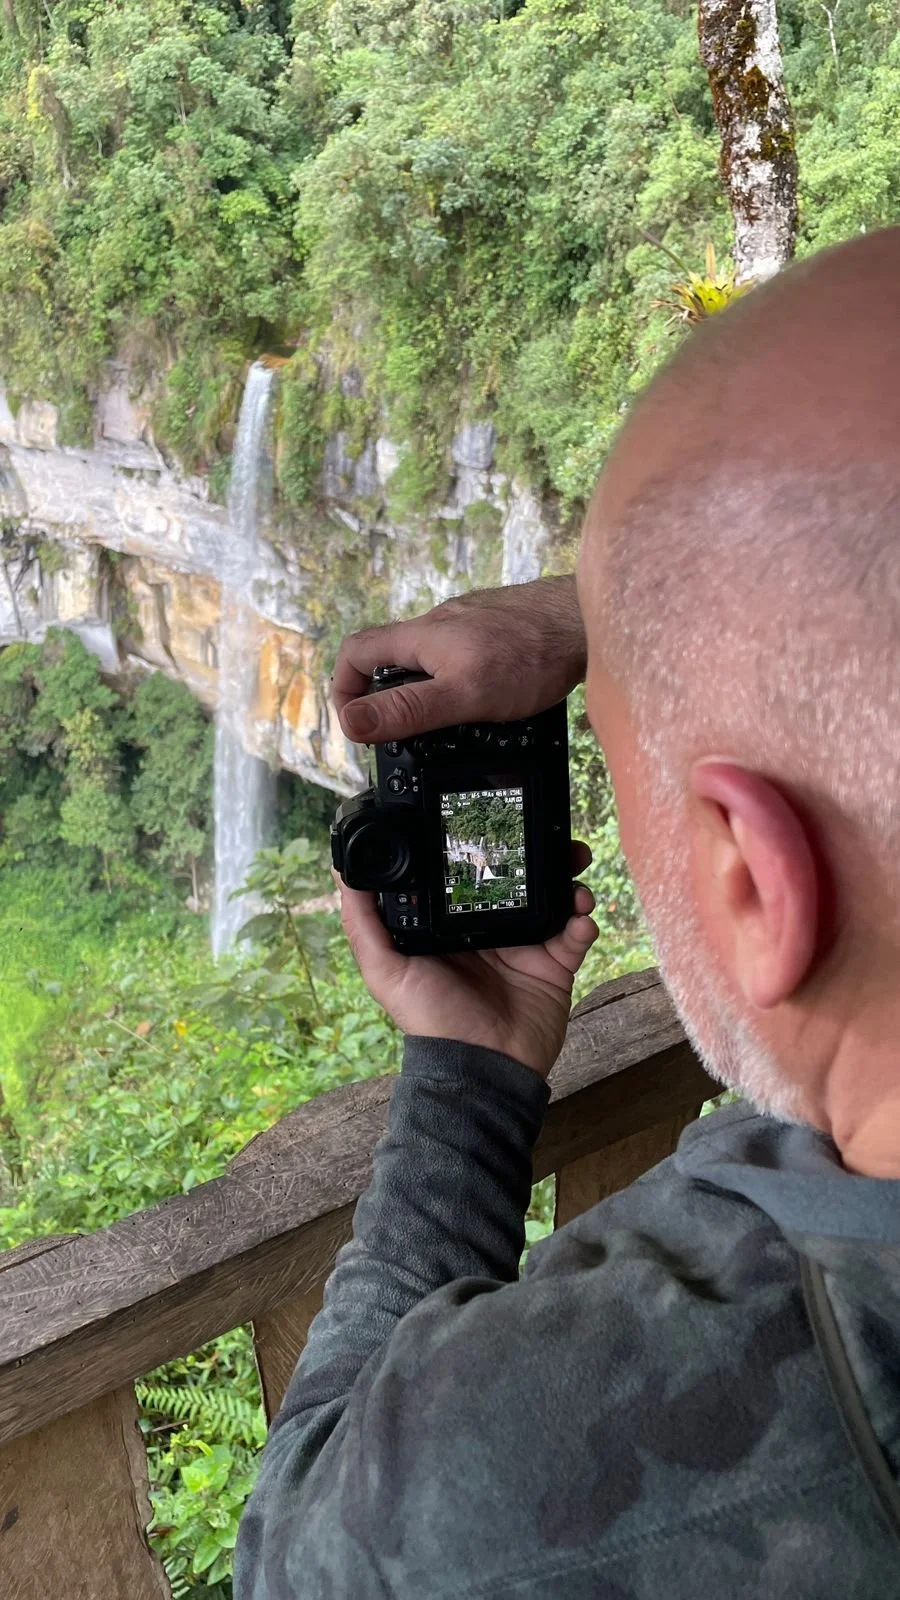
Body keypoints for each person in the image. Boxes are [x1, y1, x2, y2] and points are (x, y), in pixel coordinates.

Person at [235, 229, 900, 1597]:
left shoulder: (573, 1462)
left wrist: (470, 1088)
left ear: (755, 881)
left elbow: (296, 1549)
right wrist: (601, 614)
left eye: (613, 741)